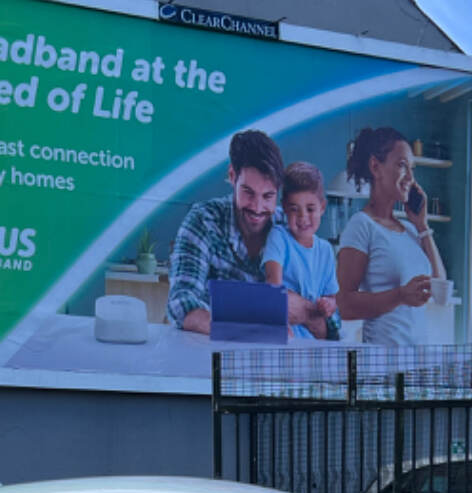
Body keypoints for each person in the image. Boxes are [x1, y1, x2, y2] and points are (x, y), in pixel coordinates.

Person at [167, 129, 325, 335]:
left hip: (278, 358)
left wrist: (305, 311)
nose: (258, 207)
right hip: (209, 356)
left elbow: (327, 324)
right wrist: (251, 324)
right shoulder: (204, 221)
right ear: (233, 176)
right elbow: (181, 302)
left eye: (268, 196)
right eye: (248, 193)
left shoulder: (290, 228)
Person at [336, 126, 446, 347]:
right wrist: (400, 296)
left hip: (416, 361)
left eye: (412, 168)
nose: (411, 179)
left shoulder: (411, 230)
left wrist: (423, 226)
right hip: (382, 363)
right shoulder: (361, 226)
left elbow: (440, 290)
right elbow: (344, 304)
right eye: (402, 165)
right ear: (376, 166)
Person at [262, 162, 340, 342]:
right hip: (283, 338)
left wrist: (328, 305)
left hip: (314, 343)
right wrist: (279, 319)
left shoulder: (326, 250)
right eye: (294, 209)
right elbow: (272, 283)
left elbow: (332, 298)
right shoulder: (278, 236)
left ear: (322, 207)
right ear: (284, 207)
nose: (303, 217)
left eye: (310, 209)